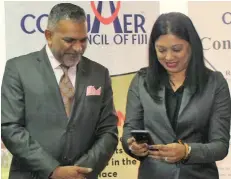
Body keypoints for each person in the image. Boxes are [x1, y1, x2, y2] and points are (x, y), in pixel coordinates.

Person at [1, 3, 118, 179]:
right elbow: (10, 128)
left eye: (83, 40)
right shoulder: (18, 69)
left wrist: (81, 170)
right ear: (49, 36)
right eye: (70, 40)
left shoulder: (99, 73)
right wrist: (53, 170)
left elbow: (108, 131)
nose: (78, 48)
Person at [122, 12, 231, 179]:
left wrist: (187, 151)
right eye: (161, 50)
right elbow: (129, 130)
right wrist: (133, 146)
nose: (168, 57)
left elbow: (220, 146)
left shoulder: (215, 83)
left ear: (192, 46)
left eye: (176, 49)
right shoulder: (141, 81)